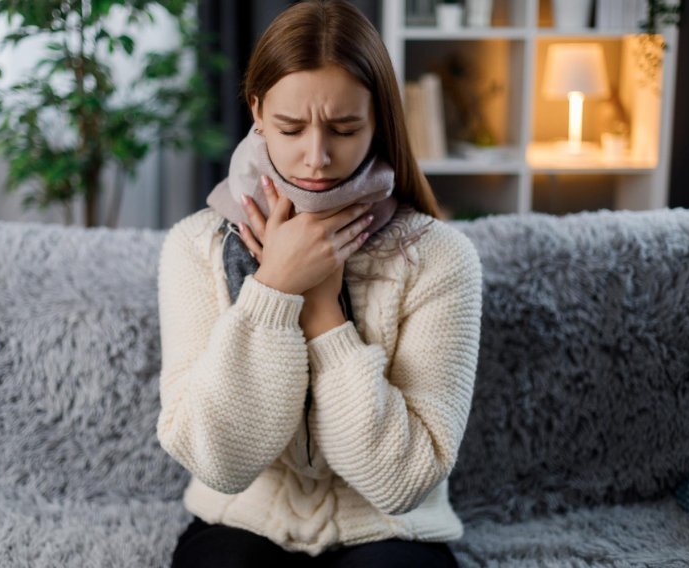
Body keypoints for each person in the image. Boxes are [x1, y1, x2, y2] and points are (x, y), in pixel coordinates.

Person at [156, 1, 482, 566]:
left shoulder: (439, 257)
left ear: (379, 118)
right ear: (257, 111)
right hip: (241, 523)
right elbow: (219, 461)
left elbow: (403, 481)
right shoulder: (194, 247)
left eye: (344, 127)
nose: (317, 157)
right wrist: (275, 288)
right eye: (289, 127)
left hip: (390, 531)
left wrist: (323, 310)